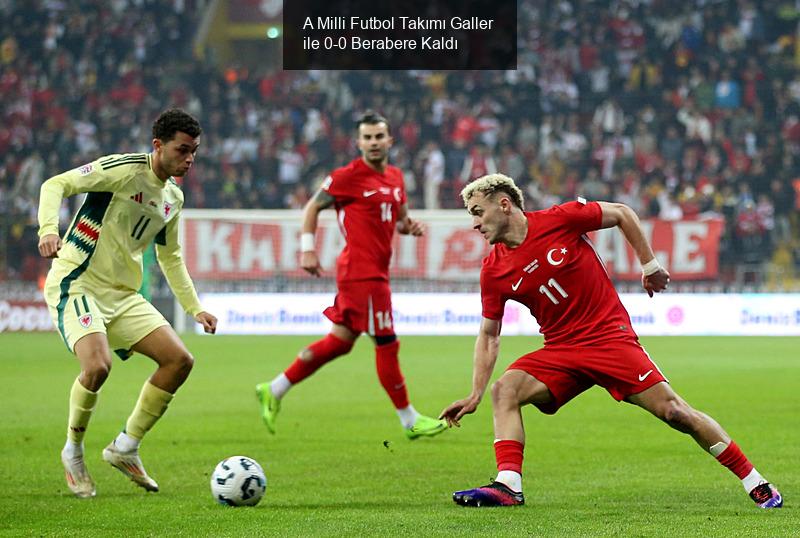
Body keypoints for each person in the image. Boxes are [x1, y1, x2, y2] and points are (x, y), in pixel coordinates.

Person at [440, 173, 782, 509]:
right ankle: (508, 486)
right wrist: (475, 393)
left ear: (504, 205)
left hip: (608, 339)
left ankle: (755, 480)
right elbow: (489, 335)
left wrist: (649, 265)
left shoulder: (561, 219)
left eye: (477, 212)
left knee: (676, 412)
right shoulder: (493, 270)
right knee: (505, 390)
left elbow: (621, 213)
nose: (474, 223)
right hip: (561, 350)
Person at [37, 108, 218, 498]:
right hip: (79, 281)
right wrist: (49, 230)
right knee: (97, 366)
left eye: (194, 152)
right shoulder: (123, 170)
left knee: (179, 361)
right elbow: (56, 184)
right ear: (158, 146)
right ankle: (73, 451)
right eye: (183, 150)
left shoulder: (173, 197)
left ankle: (125, 447)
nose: (190, 159)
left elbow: (170, 257)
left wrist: (195, 308)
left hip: (122, 294)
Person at [256, 112, 446, 440]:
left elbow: (399, 219)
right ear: (358, 143)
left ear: (389, 140)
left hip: (375, 273)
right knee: (387, 343)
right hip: (361, 274)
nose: (373, 143)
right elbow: (311, 208)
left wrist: (409, 227)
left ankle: (273, 388)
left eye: (379, 137)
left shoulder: (397, 178)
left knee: (339, 343)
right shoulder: (346, 177)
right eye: (367, 138)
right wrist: (308, 249)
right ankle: (409, 420)